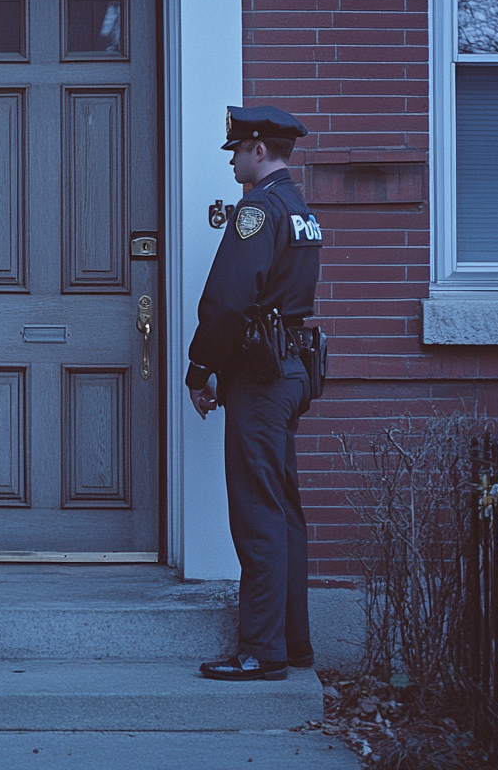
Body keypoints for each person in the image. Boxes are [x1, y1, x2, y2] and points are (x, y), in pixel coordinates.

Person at [186, 105, 322, 682]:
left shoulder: (258, 211)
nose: (234, 160)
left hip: (261, 380)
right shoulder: (300, 210)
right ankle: (292, 642)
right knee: (284, 510)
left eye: (238, 151)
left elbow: (226, 301)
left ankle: (260, 650)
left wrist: (200, 369)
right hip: (290, 372)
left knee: (258, 512)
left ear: (259, 150)